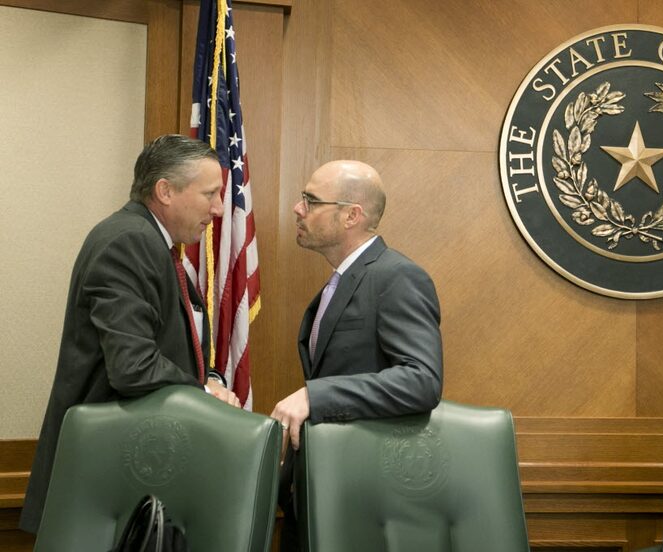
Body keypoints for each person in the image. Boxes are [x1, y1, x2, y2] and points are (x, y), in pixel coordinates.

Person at [20, 134, 241, 534]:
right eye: (210, 193)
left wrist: (208, 377)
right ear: (165, 191)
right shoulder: (130, 242)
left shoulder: (153, 243)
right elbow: (133, 366)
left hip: (135, 473)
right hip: (109, 483)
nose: (219, 208)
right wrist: (204, 393)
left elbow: (170, 345)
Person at [271, 160, 443, 550]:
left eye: (311, 201)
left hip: (364, 502)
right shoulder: (345, 280)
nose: (298, 209)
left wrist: (317, 396)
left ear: (352, 215)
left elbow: (422, 381)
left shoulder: (396, 277)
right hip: (318, 492)